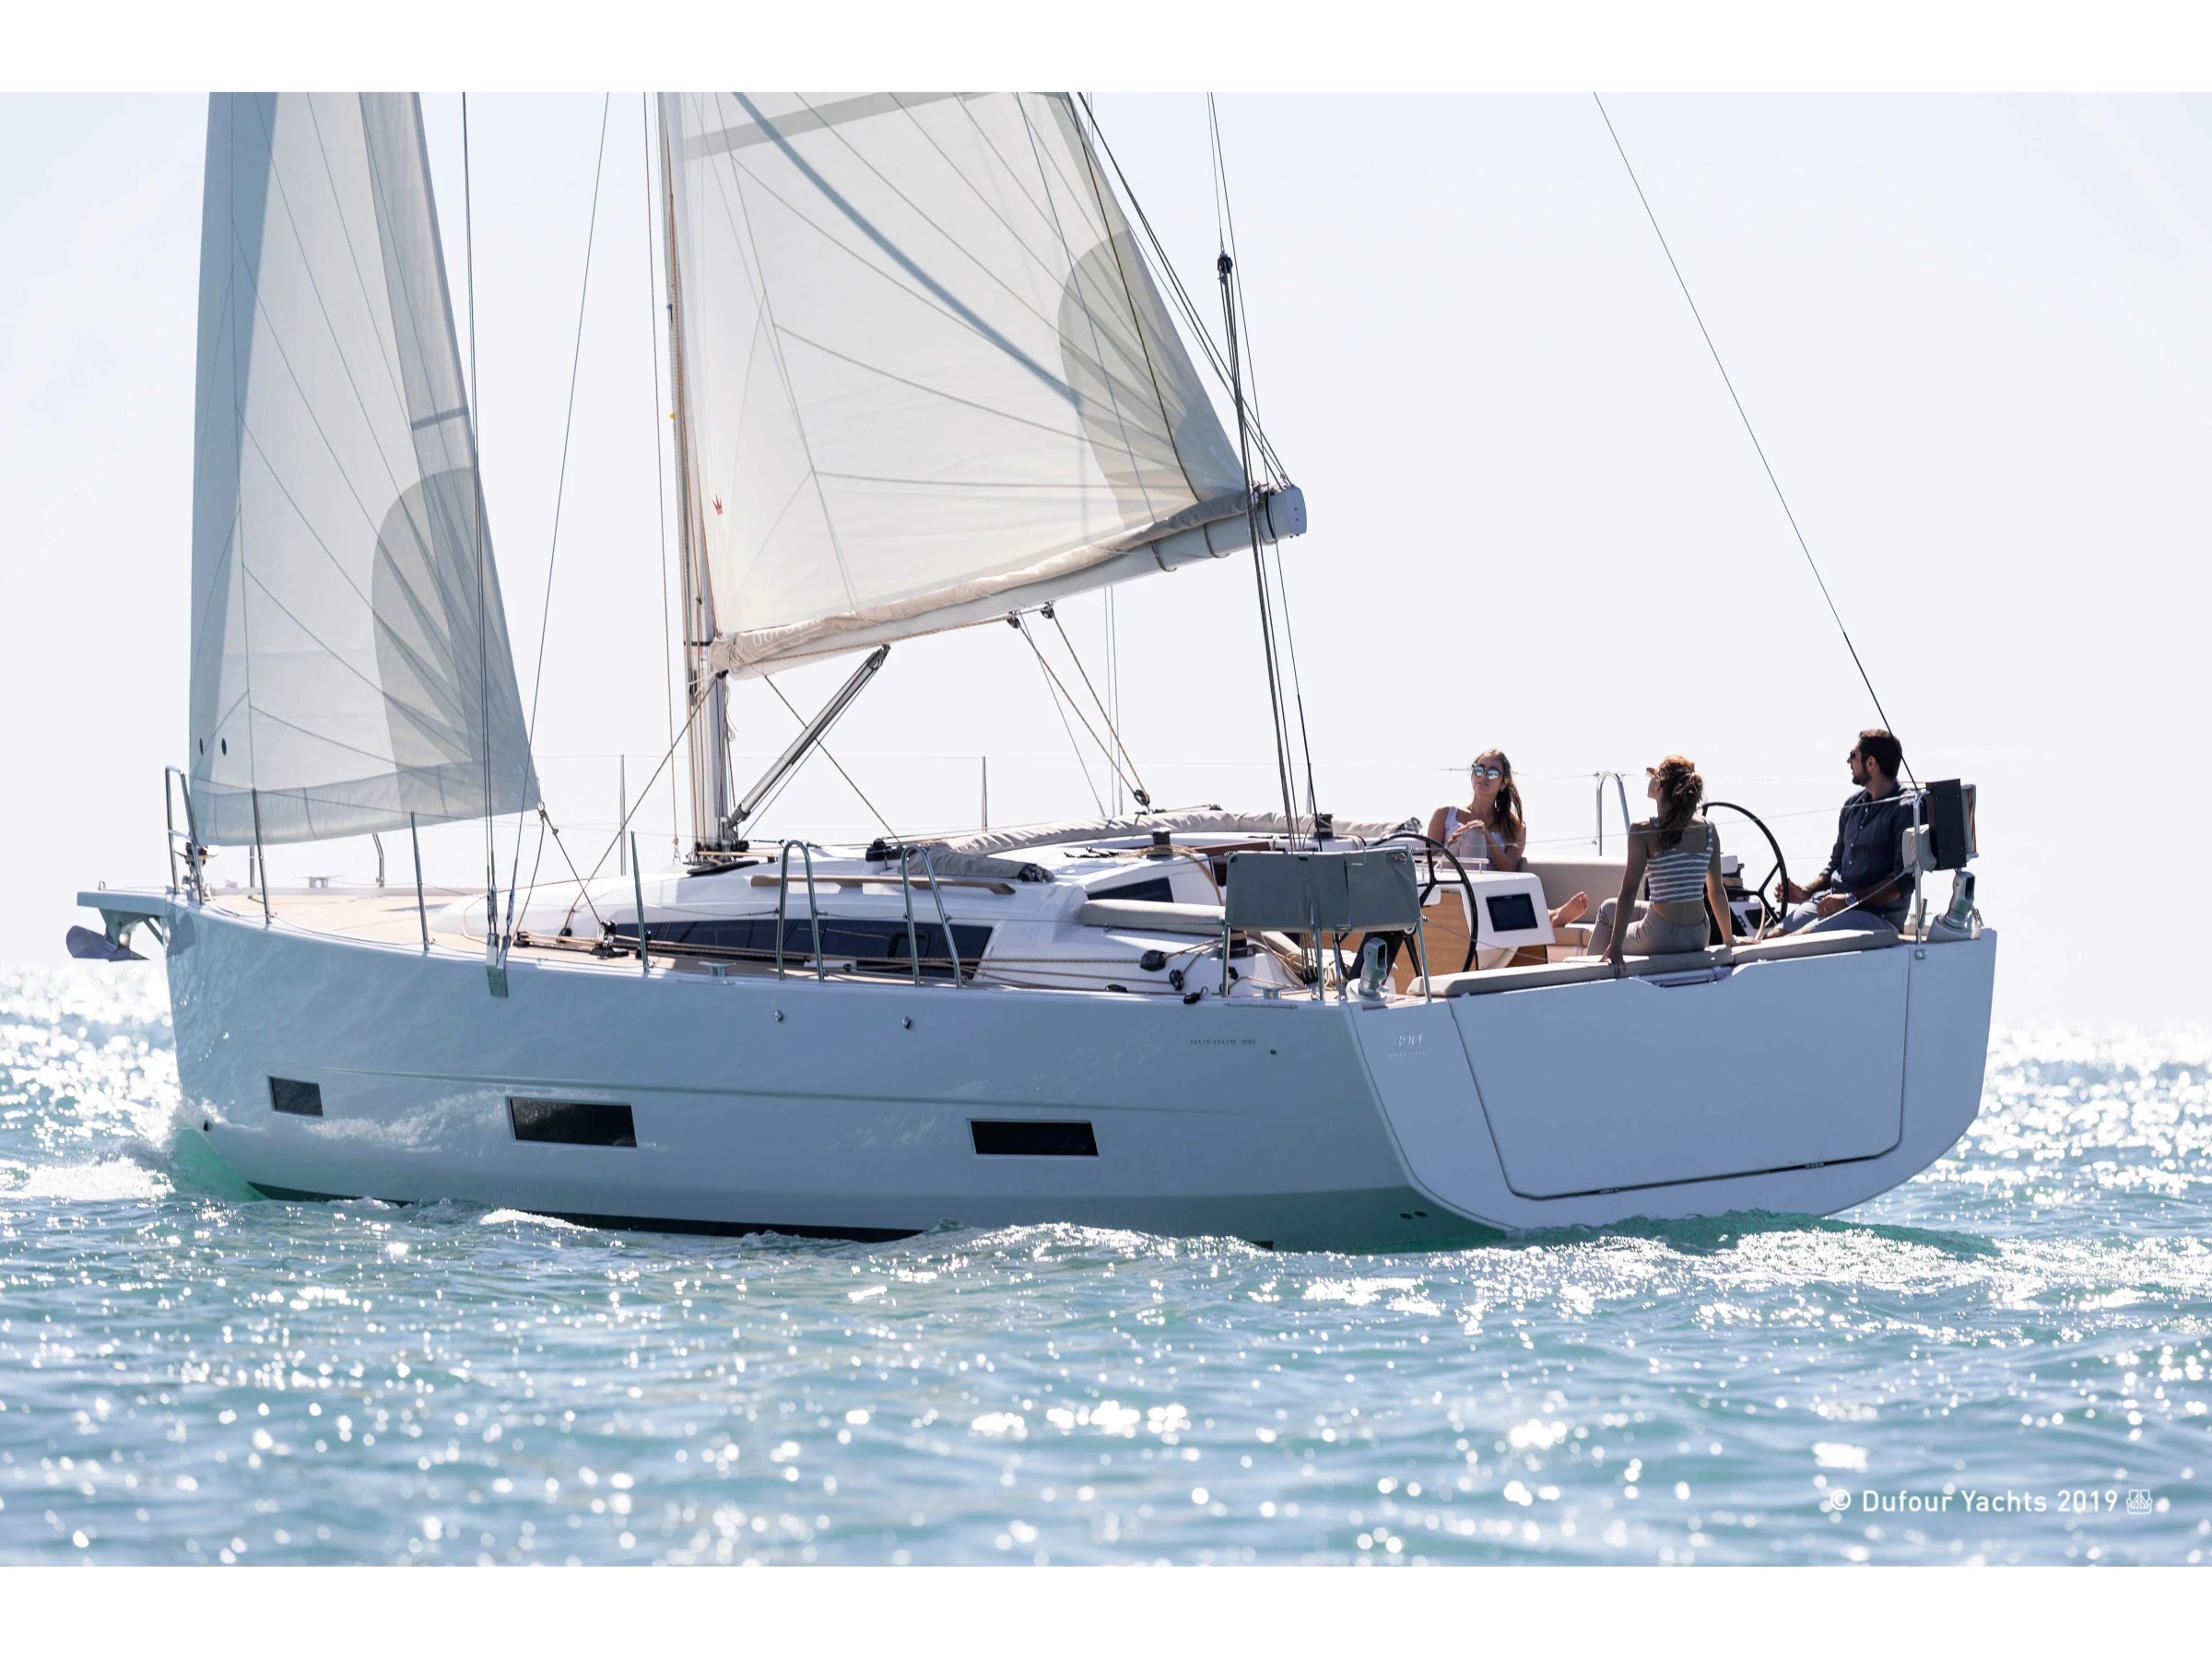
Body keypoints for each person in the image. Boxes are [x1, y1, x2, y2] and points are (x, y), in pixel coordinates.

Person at [1586, 755, 1734, 970]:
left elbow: (1629, 892)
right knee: (1609, 908)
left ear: (1659, 785)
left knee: (1607, 922)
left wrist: (1615, 946)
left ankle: (1591, 976)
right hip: (1700, 933)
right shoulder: (1708, 828)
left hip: (1663, 936)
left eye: (1653, 774)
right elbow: (1717, 892)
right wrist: (1730, 941)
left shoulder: (1643, 830)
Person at [1425, 749, 1588, 928]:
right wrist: (1451, 845)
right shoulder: (1445, 814)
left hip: (1488, 888)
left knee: (1477, 834)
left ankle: (1545, 915)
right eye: (1479, 769)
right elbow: (1426, 865)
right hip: (1446, 882)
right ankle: (1547, 915)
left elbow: (1510, 869)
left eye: (1493, 773)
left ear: (1503, 784)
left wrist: (1488, 838)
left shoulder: (1514, 826)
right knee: (1472, 832)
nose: (1484, 776)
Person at [1781, 728, 1915, 934]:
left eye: (1853, 755)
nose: (1848, 761)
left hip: (1877, 917)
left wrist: (1849, 900)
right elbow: (1836, 864)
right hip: (1835, 903)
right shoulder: (1852, 805)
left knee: (1798, 940)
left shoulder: (1906, 810)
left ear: (1871, 763)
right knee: (1774, 937)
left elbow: (1903, 881)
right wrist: (1806, 892)